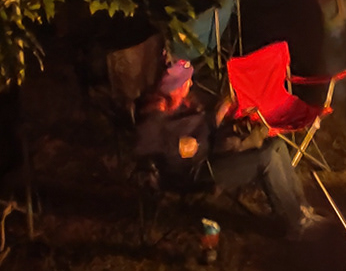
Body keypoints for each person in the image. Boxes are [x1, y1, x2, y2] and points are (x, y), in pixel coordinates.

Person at [133, 61, 322, 238]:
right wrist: (176, 146)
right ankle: (296, 223)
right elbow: (141, 145)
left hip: (212, 153)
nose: (191, 84)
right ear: (177, 86)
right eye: (187, 81)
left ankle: (302, 208)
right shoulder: (156, 112)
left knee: (276, 145)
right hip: (195, 172)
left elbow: (201, 126)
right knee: (267, 158)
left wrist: (223, 111)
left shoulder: (184, 102)